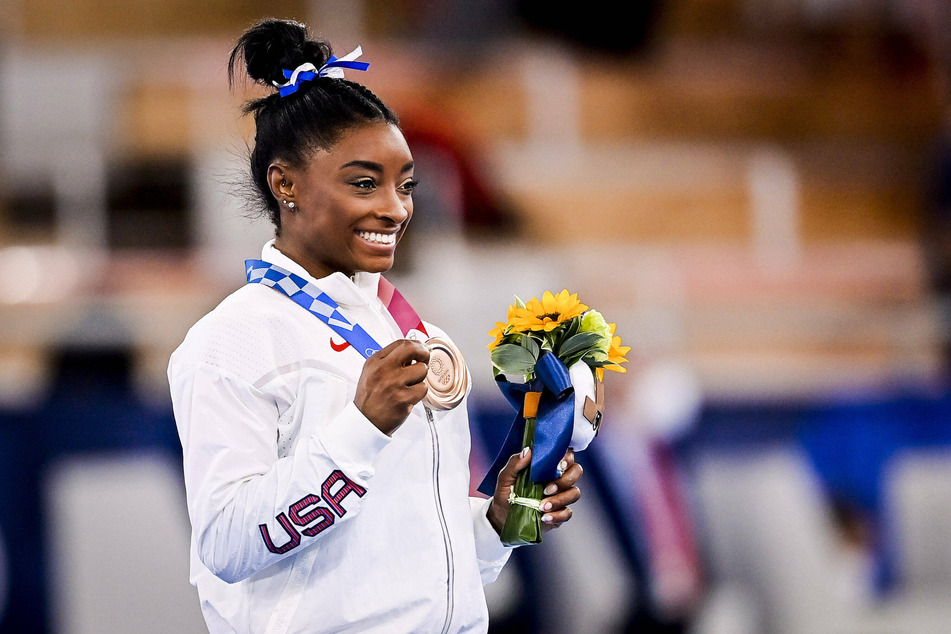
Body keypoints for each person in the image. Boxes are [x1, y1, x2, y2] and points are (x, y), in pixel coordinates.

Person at [167, 18, 583, 634]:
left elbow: (405, 555)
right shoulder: (234, 341)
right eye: (365, 182)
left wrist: (495, 523)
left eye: (405, 184)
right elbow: (226, 545)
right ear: (285, 184)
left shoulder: (408, 328)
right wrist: (361, 430)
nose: (395, 208)